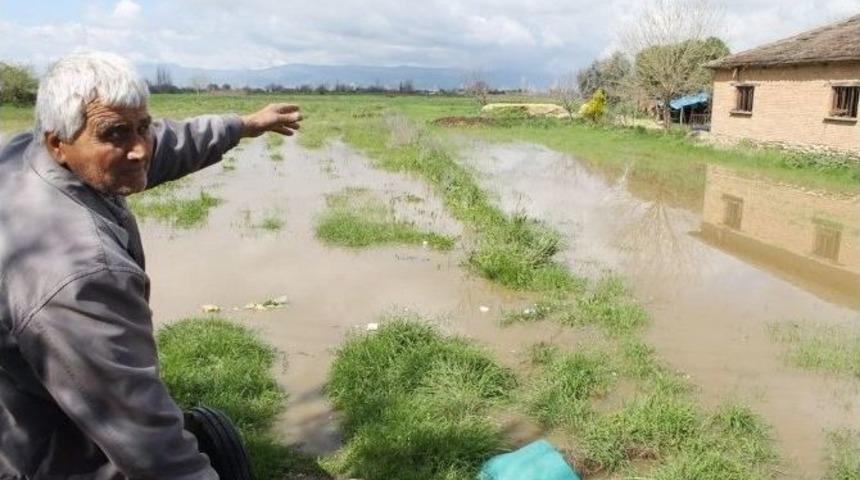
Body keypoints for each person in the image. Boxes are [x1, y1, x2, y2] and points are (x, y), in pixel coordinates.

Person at [0, 51, 301, 479]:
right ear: (57, 143)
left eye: (144, 126)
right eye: (117, 133)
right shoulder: (80, 273)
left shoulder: (29, 157)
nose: (140, 148)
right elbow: (144, 437)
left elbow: (168, 146)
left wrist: (244, 125)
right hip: (40, 454)